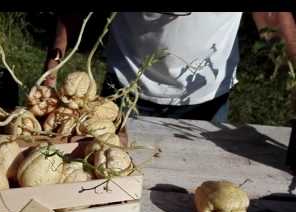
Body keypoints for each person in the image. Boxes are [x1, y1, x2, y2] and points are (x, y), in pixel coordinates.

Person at [43, 12, 296, 123]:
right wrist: (53, 65)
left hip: (207, 100)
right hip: (125, 90)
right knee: (111, 183)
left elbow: (271, 16)